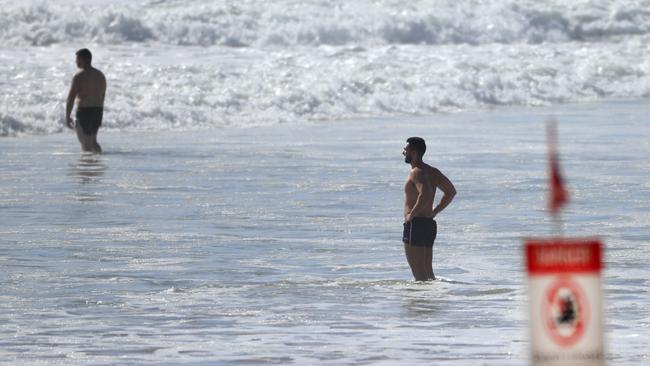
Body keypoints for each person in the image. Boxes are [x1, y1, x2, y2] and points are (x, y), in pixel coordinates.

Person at [402, 137, 456, 281]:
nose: (403, 152)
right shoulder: (433, 171)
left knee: (419, 275)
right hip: (428, 225)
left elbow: (425, 194)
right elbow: (450, 191)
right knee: (428, 274)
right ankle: (429, 301)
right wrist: (434, 211)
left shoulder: (416, 172)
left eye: (405, 150)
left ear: (413, 152)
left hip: (416, 224)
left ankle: (420, 302)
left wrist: (411, 215)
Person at [65, 48, 106, 153]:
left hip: (84, 112)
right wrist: (100, 112)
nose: (76, 62)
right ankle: (98, 162)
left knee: (85, 143)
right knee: (93, 141)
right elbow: (102, 96)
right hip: (97, 111)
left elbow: (71, 98)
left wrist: (67, 116)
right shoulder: (100, 75)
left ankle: (88, 167)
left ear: (83, 59)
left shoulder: (78, 76)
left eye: (77, 59)